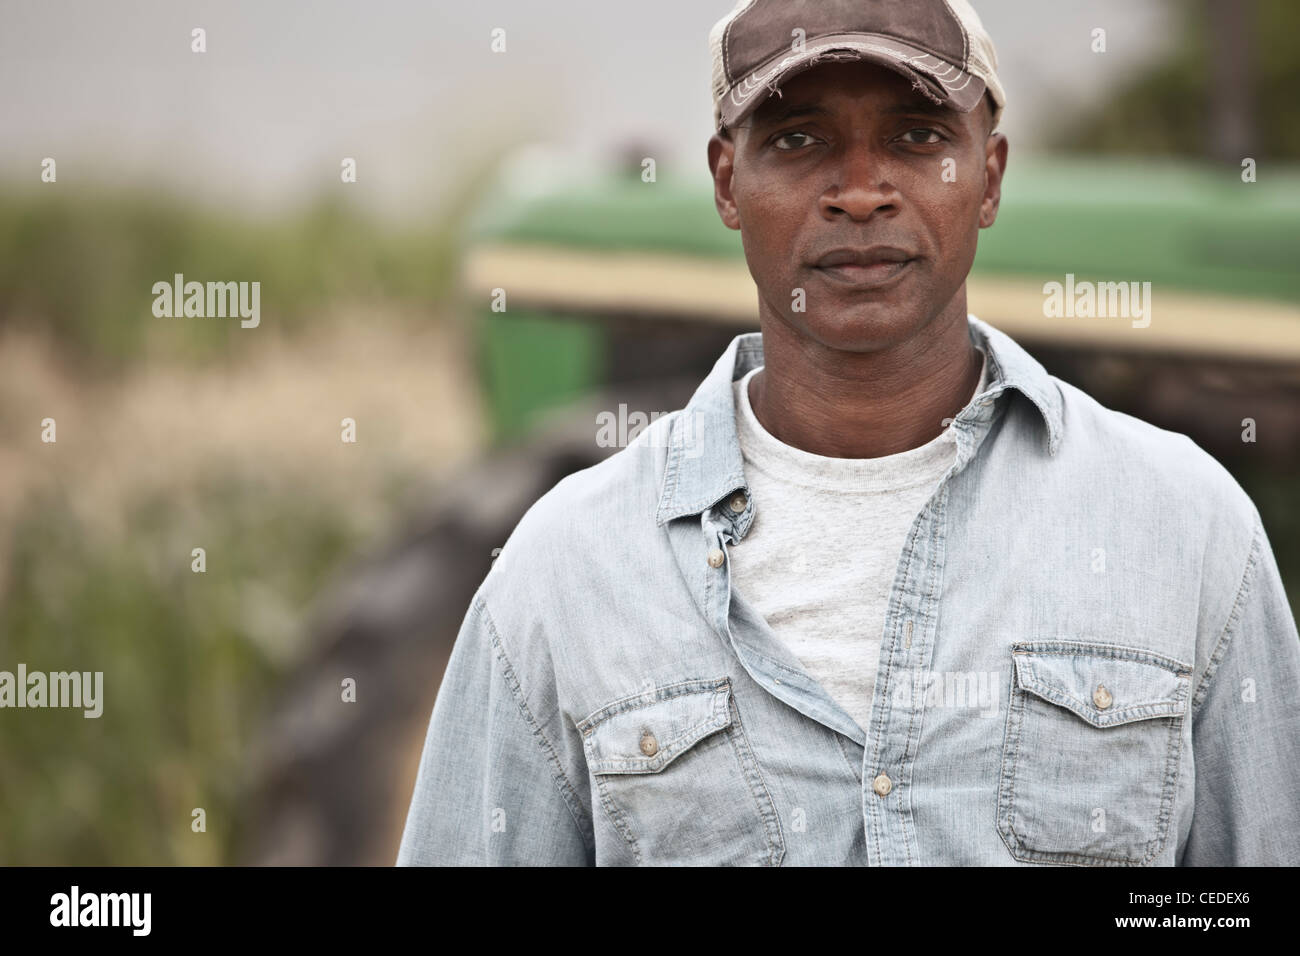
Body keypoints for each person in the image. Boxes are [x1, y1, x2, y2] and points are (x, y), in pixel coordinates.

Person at [396, 0, 1300, 865]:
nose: (862, 192)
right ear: (726, 183)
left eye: (917, 136)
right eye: (798, 139)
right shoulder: (564, 571)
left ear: (988, 177)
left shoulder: (1186, 530)